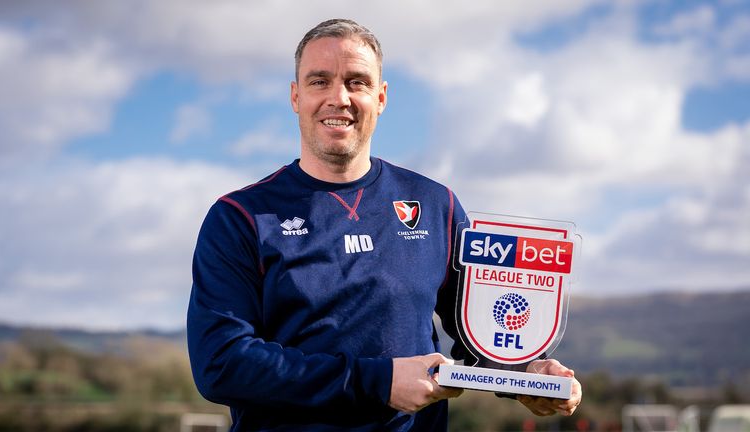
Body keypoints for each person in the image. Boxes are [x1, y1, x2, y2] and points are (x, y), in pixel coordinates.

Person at [187, 18, 581, 431]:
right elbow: (222, 363)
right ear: (295, 95)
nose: (338, 98)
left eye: (356, 82)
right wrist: (377, 381)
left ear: (381, 97)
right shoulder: (240, 216)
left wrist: (528, 374)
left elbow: (478, 334)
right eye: (320, 81)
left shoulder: (436, 204)